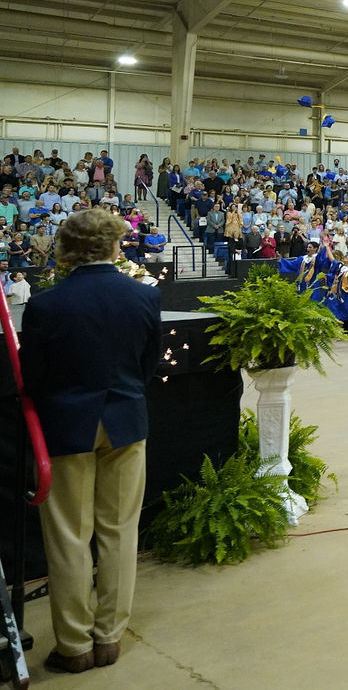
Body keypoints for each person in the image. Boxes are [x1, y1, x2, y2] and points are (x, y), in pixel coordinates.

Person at [19, 207, 161, 673]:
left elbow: (33, 378)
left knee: (69, 539)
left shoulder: (45, 304)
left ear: (65, 248)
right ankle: (110, 638)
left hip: (68, 426)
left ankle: (75, 646)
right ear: (115, 245)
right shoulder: (143, 297)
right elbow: (147, 366)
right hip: (126, 421)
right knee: (120, 532)